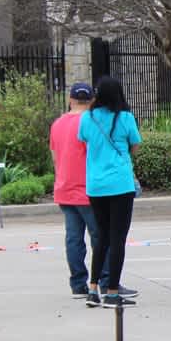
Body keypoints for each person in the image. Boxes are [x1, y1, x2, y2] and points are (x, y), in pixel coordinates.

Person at [49, 82, 122, 300]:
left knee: (73, 238)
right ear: (91, 100)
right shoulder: (91, 121)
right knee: (102, 237)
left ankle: (78, 283)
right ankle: (106, 281)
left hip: (64, 187)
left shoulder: (57, 124)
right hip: (89, 189)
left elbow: (54, 157)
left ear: (70, 99)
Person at [78, 76, 142, 309]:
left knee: (101, 237)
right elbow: (134, 145)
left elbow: (84, 141)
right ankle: (112, 292)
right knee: (118, 239)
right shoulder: (125, 118)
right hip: (120, 184)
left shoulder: (88, 118)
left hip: (95, 185)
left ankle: (93, 289)